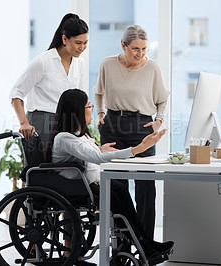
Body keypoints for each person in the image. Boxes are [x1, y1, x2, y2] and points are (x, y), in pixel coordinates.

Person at [47, 89, 173, 264]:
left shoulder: (79, 136)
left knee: (120, 190)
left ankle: (145, 242)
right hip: (77, 189)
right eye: (88, 106)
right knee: (116, 194)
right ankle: (145, 245)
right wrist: (138, 149)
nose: (91, 109)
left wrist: (100, 149)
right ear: (76, 111)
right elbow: (97, 159)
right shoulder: (64, 138)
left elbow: (91, 153)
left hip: (88, 185)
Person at [93, 25, 170, 240]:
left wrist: (159, 120)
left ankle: (146, 243)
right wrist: (100, 114)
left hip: (141, 127)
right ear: (123, 46)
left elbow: (162, 98)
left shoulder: (152, 68)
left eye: (144, 49)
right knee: (118, 187)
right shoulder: (108, 64)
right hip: (113, 125)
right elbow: (98, 91)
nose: (140, 54)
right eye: (135, 49)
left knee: (146, 187)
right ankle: (121, 244)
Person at [9, 13, 89, 154]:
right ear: (64, 39)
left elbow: (80, 98)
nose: (82, 47)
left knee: (66, 171)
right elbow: (16, 93)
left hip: (68, 124)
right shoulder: (43, 62)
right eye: (78, 43)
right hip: (42, 122)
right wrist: (24, 123)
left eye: (85, 42)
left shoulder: (80, 63)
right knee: (41, 171)